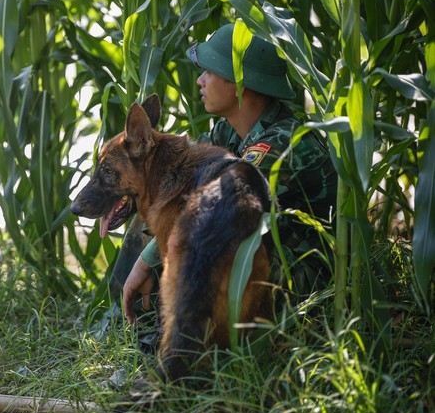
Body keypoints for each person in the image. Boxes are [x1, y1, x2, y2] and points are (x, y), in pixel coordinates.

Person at [110, 23, 338, 328]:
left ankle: (172, 343)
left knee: (204, 238)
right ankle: (127, 323)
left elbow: (219, 208)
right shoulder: (227, 131)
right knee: (152, 208)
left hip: (300, 275)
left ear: (241, 84)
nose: (200, 81)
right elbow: (172, 180)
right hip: (254, 254)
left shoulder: (287, 142)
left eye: (211, 72)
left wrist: (147, 260)